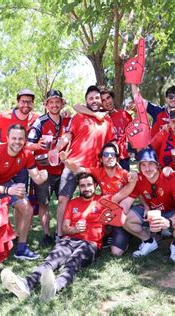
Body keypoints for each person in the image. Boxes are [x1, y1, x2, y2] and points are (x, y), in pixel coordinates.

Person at [0, 172, 136, 302]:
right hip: (69, 240)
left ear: (95, 186)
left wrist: (133, 180)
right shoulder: (72, 203)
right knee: (50, 261)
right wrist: (75, 229)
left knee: (73, 263)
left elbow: (123, 193)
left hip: (90, 244)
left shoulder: (103, 200)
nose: (86, 188)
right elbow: (65, 228)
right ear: (79, 187)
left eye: (89, 185)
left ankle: (54, 288)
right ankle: (25, 285)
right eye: (83, 186)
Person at [0, 124, 48, 263]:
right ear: (7, 138)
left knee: (28, 209)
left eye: (21, 139)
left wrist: (43, 176)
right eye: (13, 138)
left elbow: (37, 178)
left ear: (25, 140)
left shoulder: (27, 154)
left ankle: (21, 248)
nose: (17, 142)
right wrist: (8, 190)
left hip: (6, 184)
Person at [50, 85, 116, 237]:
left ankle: (103, 233)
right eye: (91, 98)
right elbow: (67, 136)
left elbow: (111, 143)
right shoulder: (78, 117)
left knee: (106, 199)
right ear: (86, 100)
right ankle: (60, 234)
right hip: (73, 164)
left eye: (97, 98)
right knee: (63, 199)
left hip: (95, 167)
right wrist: (57, 148)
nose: (94, 100)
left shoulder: (107, 120)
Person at [60, 142, 134, 256]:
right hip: (106, 210)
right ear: (101, 158)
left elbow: (135, 189)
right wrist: (65, 161)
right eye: (106, 154)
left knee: (116, 252)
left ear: (117, 157)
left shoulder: (124, 174)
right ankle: (109, 233)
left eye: (112, 154)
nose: (110, 157)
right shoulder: (98, 171)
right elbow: (78, 170)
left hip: (121, 213)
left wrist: (134, 177)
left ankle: (127, 233)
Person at [119, 148, 175, 262]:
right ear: (139, 167)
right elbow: (126, 202)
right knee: (123, 216)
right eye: (143, 165)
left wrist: (169, 222)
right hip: (151, 213)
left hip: (170, 212)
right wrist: (116, 212)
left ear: (158, 165)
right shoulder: (138, 179)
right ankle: (148, 241)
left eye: (151, 164)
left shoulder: (171, 178)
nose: (147, 168)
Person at [27, 89, 71, 246]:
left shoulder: (68, 121)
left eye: (57, 102)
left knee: (63, 202)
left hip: (63, 170)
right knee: (43, 204)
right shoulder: (40, 122)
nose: (54, 105)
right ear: (46, 105)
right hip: (43, 171)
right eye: (51, 102)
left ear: (62, 103)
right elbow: (27, 143)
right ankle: (47, 234)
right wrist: (37, 145)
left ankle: (62, 232)